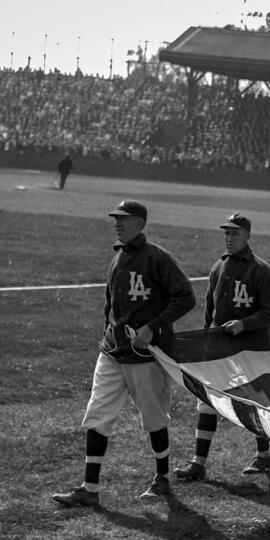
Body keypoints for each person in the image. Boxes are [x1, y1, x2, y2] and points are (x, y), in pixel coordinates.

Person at [53, 200, 196, 507]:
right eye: (115, 218)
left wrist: (153, 327)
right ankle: (89, 488)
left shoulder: (157, 258)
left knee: (153, 417)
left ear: (140, 224)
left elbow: (186, 297)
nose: (117, 223)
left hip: (144, 354)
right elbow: (110, 303)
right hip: (112, 350)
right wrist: (108, 329)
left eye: (124, 219)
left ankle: (162, 480)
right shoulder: (118, 256)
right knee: (97, 414)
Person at [174, 213, 270, 482]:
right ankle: (198, 463)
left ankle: (263, 455)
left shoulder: (261, 270)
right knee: (207, 403)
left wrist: (245, 324)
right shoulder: (218, 267)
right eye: (226, 233)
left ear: (247, 235)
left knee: (251, 403)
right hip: (218, 350)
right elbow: (210, 313)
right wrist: (205, 342)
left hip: (249, 350)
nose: (229, 238)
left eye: (235, 233)